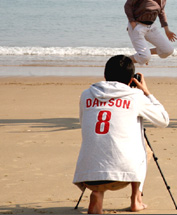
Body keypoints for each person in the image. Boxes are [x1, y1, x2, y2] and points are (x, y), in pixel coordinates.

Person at [72, 55, 170, 214]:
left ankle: (97, 193)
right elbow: (164, 120)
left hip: (88, 176)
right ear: (132, 80)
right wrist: (146, 92)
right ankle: (136, 199)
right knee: (145, 150)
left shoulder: (86, 95)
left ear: (105, 76)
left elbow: (84, 124)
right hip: (122, 176)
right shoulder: (135, 97)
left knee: (102, 142)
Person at [124, 0, 177, 66]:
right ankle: (124, 60)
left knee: (168, 50)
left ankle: (144, 54)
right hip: (137, 26)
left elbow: (161, 12)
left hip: (151, 27)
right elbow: (128, 5)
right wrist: (133, 23)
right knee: (144, 58)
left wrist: (167, 30)